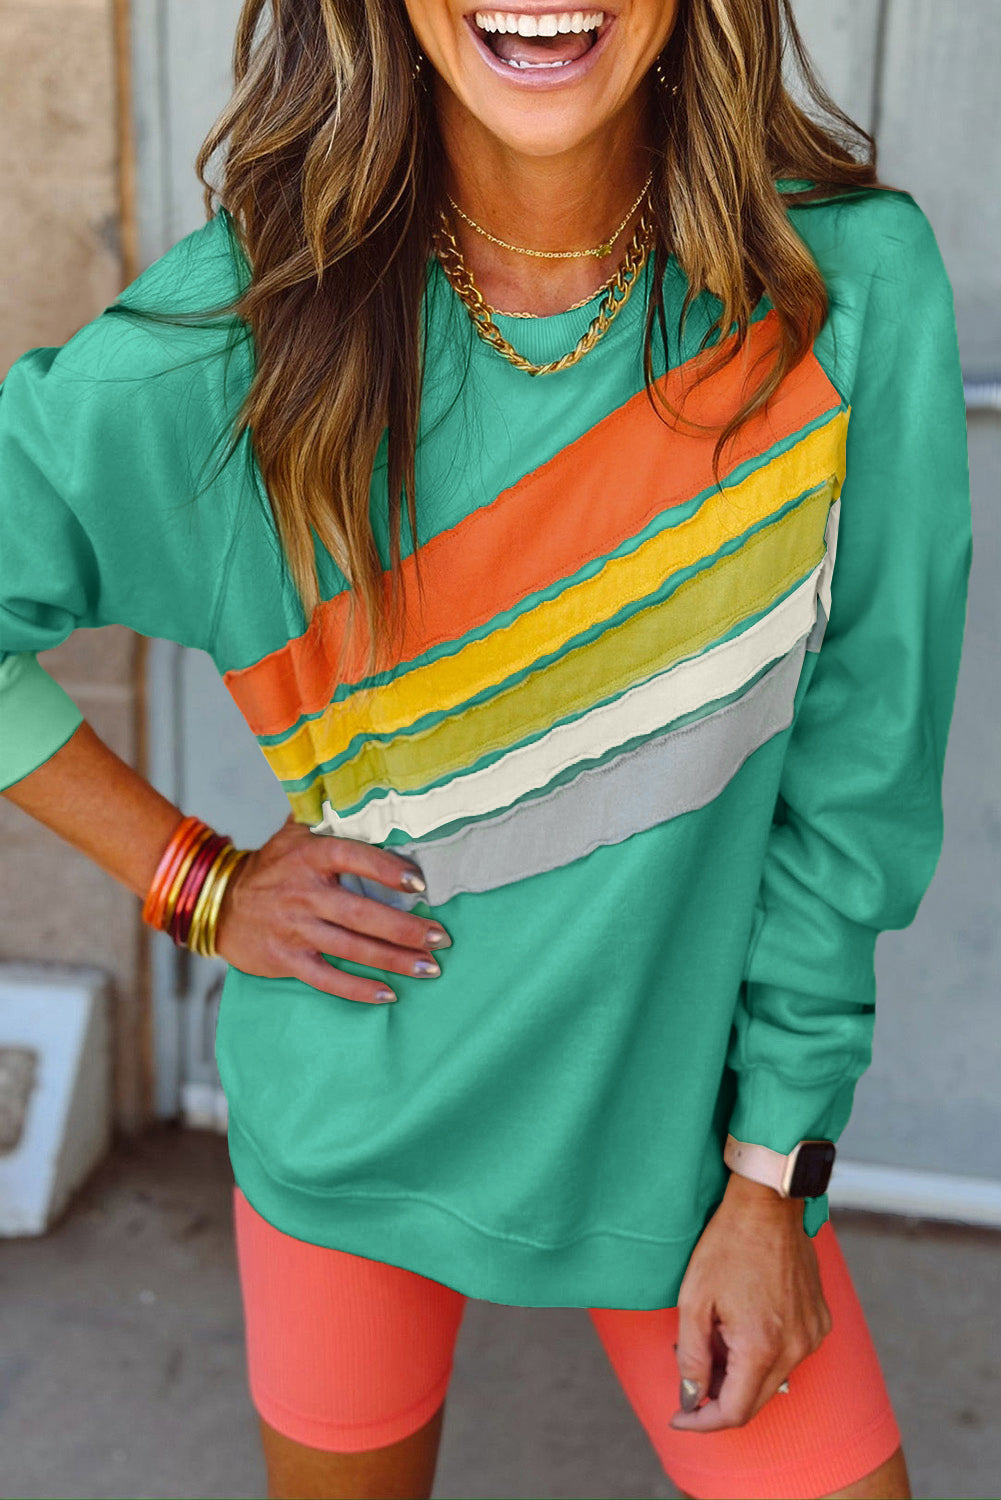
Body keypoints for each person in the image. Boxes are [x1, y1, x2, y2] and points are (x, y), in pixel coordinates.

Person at [0, 0, 972, 1495]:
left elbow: (859, 782)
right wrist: (193, 880)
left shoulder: (844, 292)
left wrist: (776, 1179)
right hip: (354, 1129)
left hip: (692, 1155)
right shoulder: (257, 327)